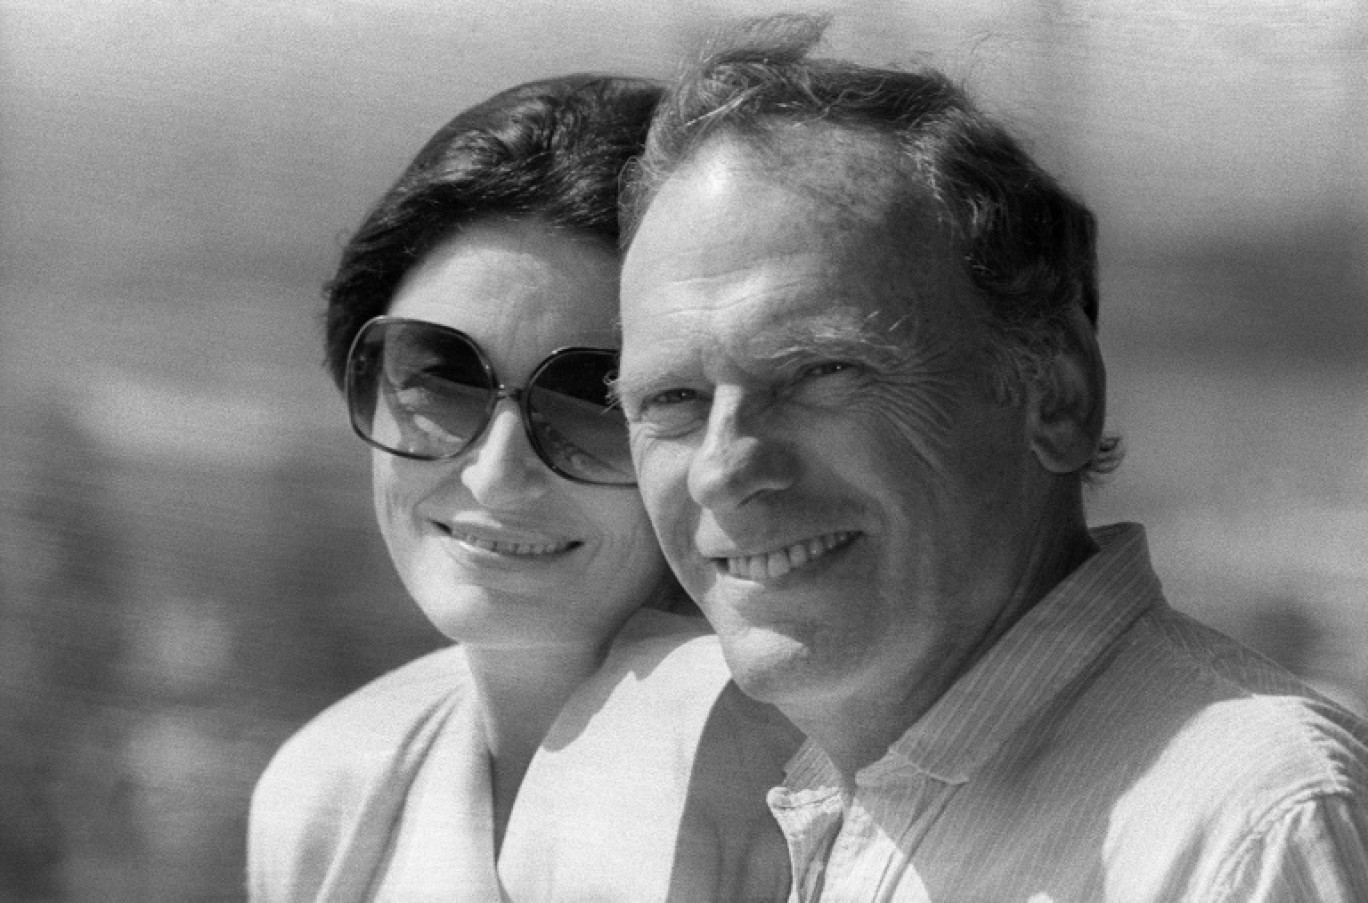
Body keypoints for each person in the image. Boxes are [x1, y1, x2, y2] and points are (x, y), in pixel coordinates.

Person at [501, 16, 1368, 901]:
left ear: (1055, 395)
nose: (724, 467)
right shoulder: (825, 808)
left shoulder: (1252, 831)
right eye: (671, 401)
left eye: (819, 371)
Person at [246, 75, 784, 901]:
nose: (496, 470)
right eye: (440, 376)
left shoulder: (787, 791)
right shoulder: (331, 792)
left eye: (592, 401)